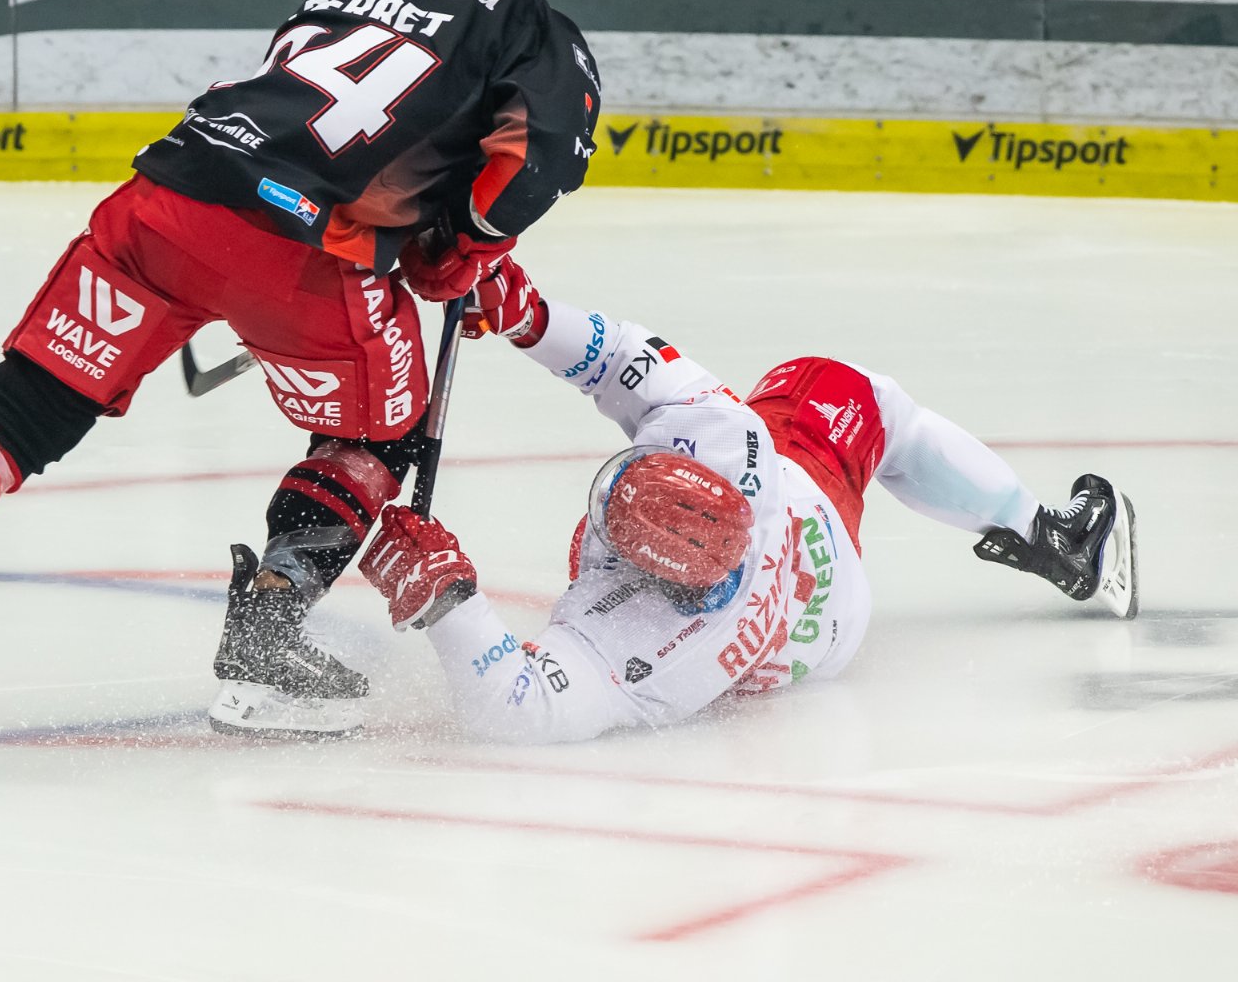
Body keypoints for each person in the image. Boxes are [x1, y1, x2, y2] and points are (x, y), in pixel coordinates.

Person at [0, 0, 603, 736]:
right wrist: (463, 248)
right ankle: (267, 630)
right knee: (379, 433)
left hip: (164, 201)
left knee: (36, 397)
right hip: (303, 253)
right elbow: (534, 162)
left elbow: (332, 127)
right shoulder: (532, 25)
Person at [353, 258, 1139, 742]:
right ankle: (1052, 538)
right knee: (856, 393)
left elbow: (516, 715)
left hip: (808, 630)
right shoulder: (731, 446)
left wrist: (447, 601)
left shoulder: (645, 648)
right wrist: (527, 317)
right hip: (811, 562)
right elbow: (624, 359)